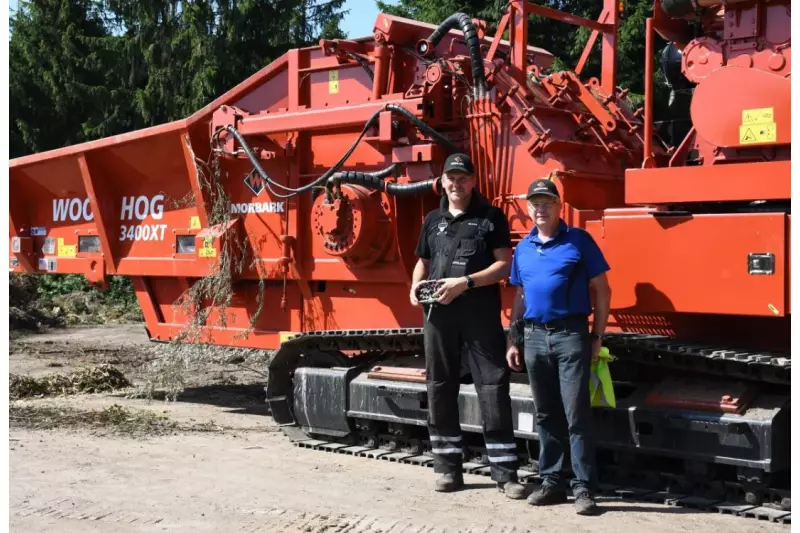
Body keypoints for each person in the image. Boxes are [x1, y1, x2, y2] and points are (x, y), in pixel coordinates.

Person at [410, 152, 525, 499]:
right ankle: (447, 469)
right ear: (443, 181)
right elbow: (422, 262)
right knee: (439, 386)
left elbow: (504, 265)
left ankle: (506, 474)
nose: (456, 184)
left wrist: (466, 283)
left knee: (492, 387)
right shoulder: (432, 219)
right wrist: (414, 287)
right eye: (451, 178)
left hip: (479, 315)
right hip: (438, 318)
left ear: (473, 181)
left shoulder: (491, 217)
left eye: (463, 178)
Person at [505, 178, 611, 516]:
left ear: (558, 206)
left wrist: (597, 337)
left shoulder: (579, 241)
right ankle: (551, 481)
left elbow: (603, 290)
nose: (540, 208)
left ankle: (583, 487)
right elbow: (519, 295)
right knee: (547, 413)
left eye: (547, 202)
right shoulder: (522, 248)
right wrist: (514, 337)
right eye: (535, 202)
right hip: (534, 337)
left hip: (570, 335)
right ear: (528, 208)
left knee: (575, 413)